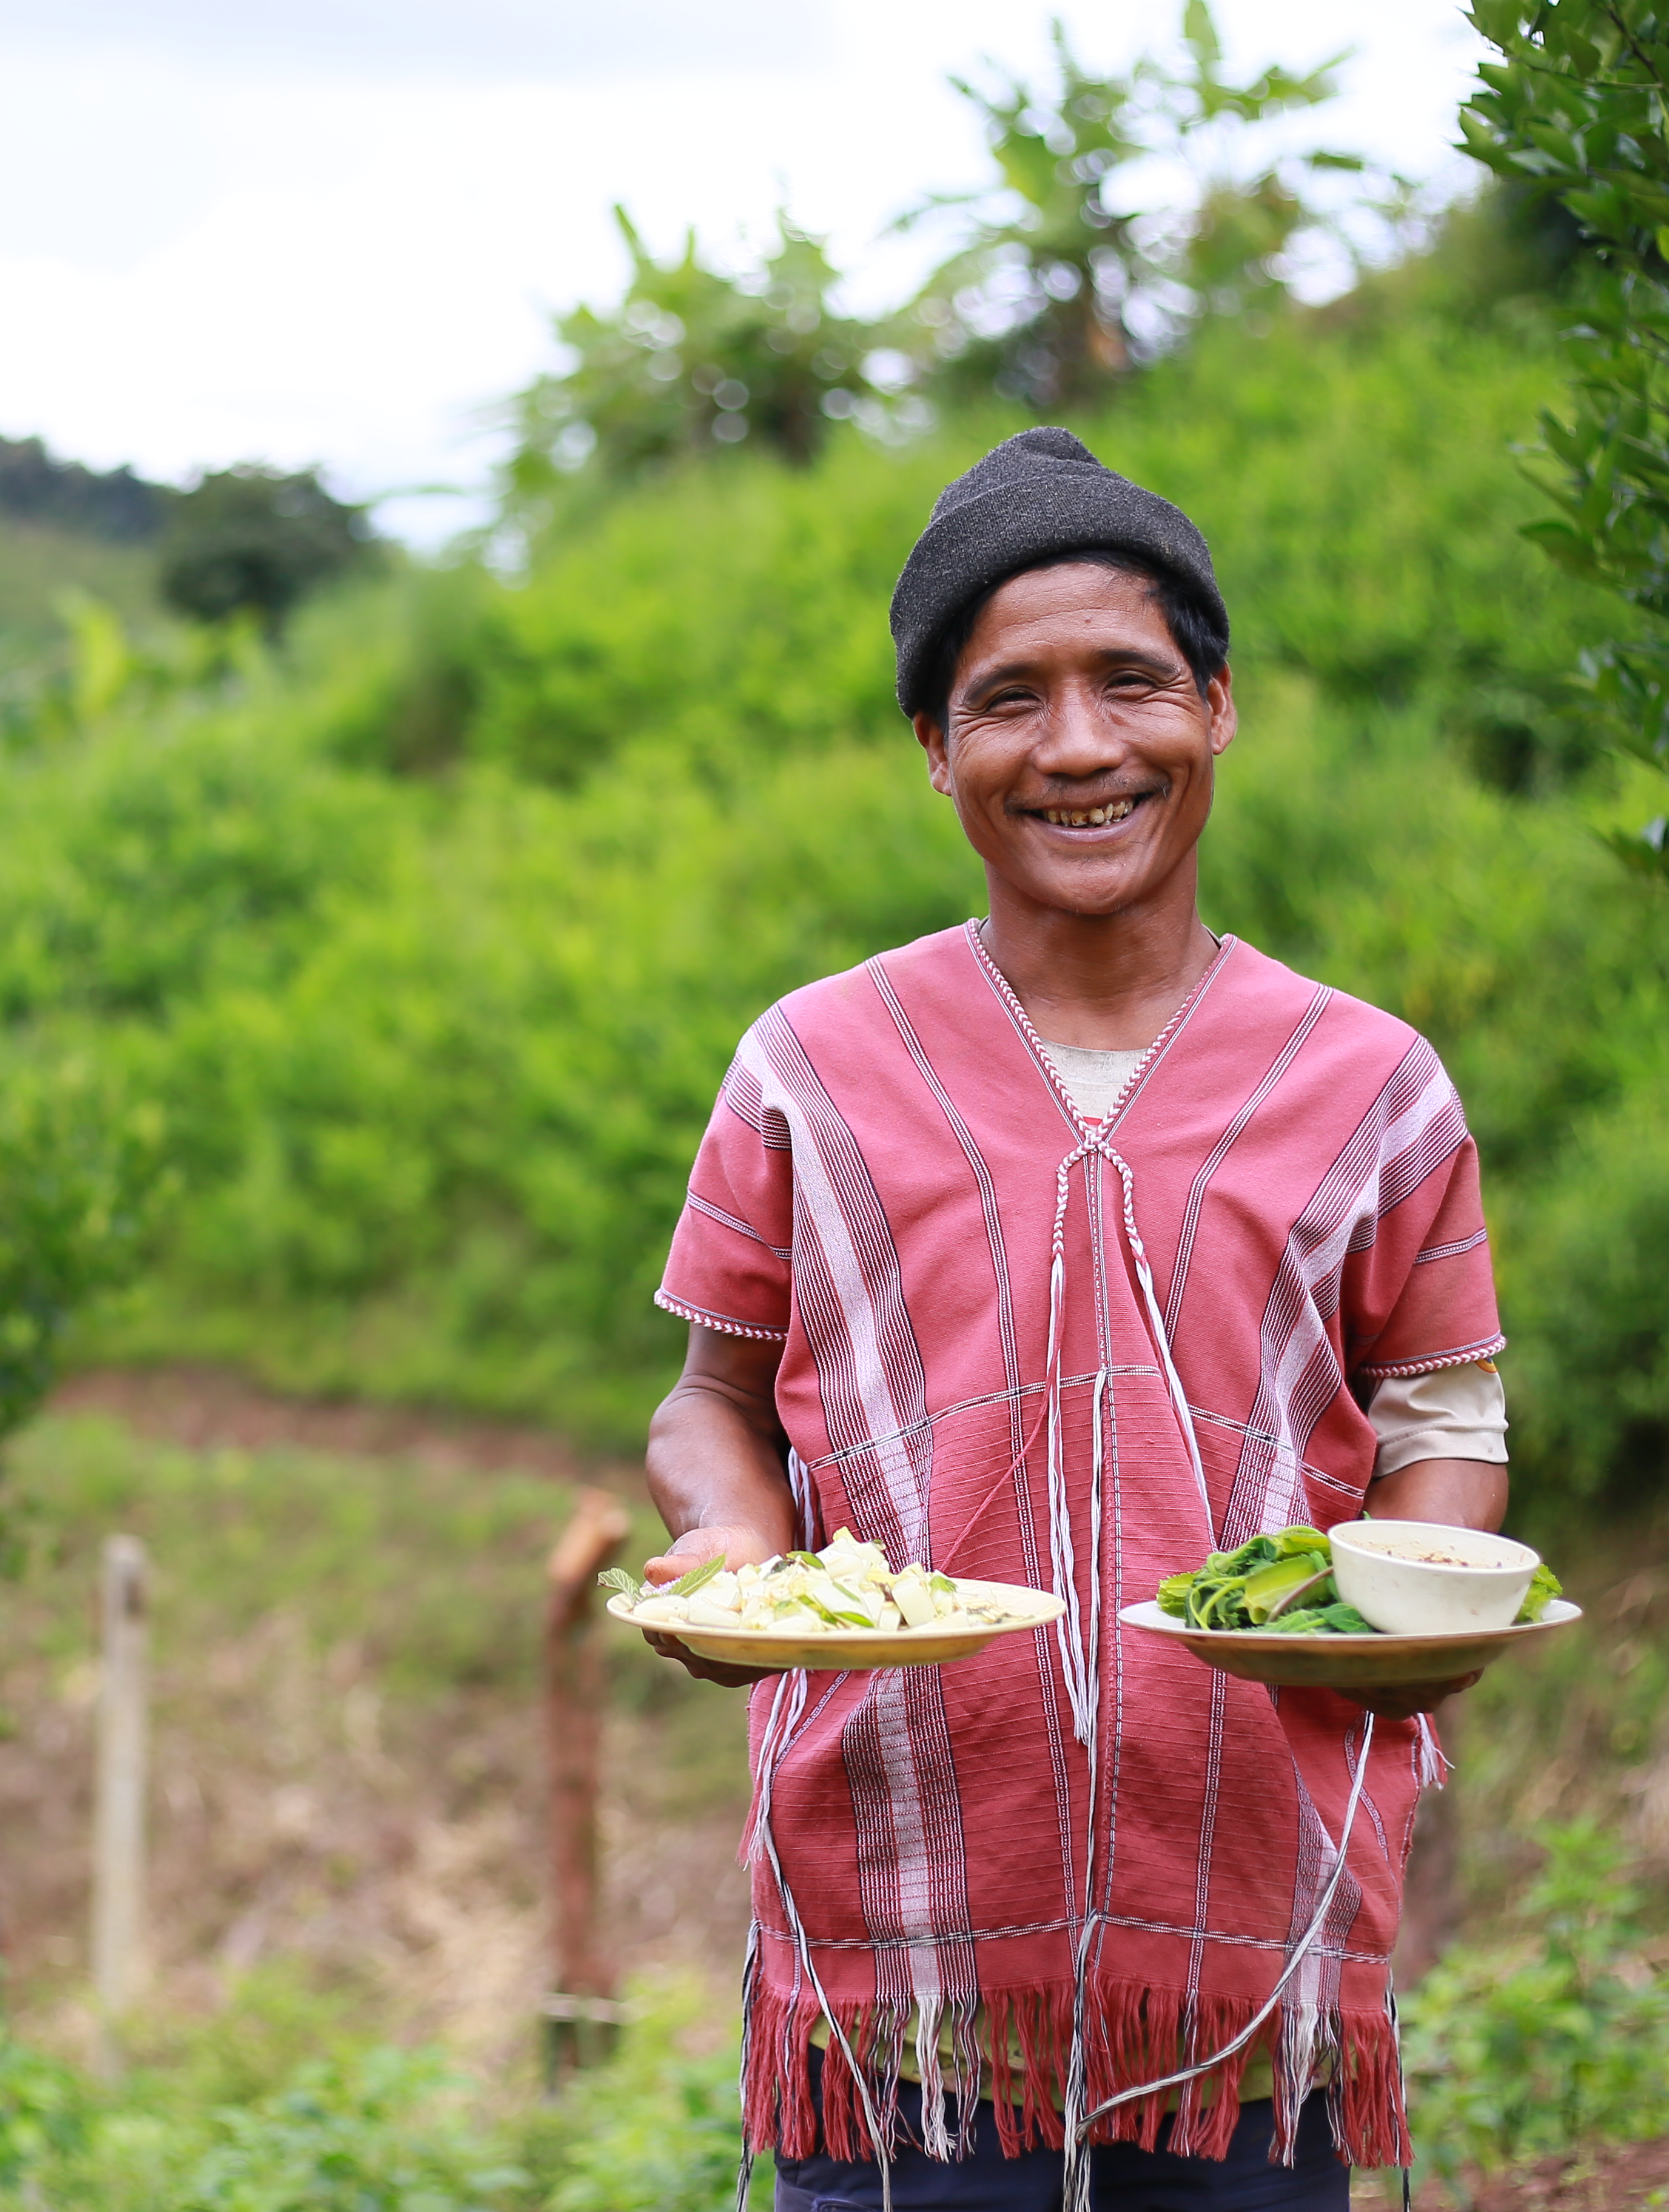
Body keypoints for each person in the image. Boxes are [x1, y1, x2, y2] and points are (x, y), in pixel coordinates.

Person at [640, 427, 1509, 2211]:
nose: (1082, 746)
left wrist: (1411, 1607)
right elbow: (708, 1398)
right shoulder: (810, 1068)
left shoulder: (1374, 1087)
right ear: (935, 752)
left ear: (1218, 706)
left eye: (1131, 683)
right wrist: (733, 1540)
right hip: (906, 2000)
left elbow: (1445, 1428)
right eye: (1009, 699)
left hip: (1255, 1964)